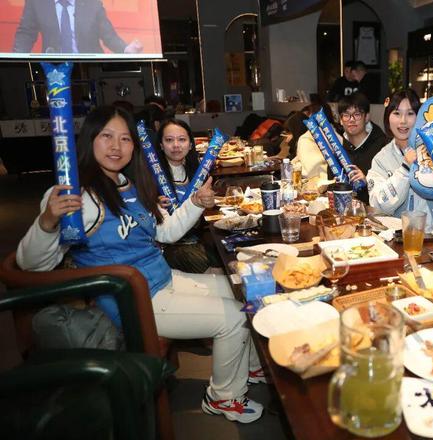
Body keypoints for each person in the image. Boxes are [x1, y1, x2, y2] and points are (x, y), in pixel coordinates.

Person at [15, 106, 264, 423]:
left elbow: (165, 233)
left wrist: (194, 203)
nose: (116, 146)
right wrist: (48, 221)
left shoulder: (128, 184)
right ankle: (223, 398)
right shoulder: (77, 196)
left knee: (243, 289)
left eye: (125, 138)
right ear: (89, 140)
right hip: (133, 301)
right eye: (106, 136)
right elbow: (30, 264)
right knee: (234, 317)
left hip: (162, 280)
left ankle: (247, 366)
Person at [366, 89, 433, 246]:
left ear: (420, 117)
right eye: (397, 113)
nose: (403, 121)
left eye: (410, 113)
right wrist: (405, 169)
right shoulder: (381, 159)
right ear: (387, 117)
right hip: (403, 243)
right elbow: (378, 204)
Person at [156, 118, 221, 273]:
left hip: (197, 237)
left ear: (191, 144)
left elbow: (204, 210)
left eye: (182, 139)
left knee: (227, 253)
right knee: (215, 268)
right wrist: (153, 203)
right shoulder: (152, 176)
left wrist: (208, 202)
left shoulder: (196, 171)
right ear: (161, 145)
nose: (176, 145)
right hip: (168, 246)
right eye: (169, 140)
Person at [13, 0, 143, 54]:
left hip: (89, 67)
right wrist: (16, 58)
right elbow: (26, 33)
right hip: (54, 69)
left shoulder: (92, 3)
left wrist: (125, 49)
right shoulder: (37, 2)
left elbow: (108, 35)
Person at [338, 92, 387, 204]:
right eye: (346, 115)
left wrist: (367, 181)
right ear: (340, 120)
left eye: (357, 114)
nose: (351, 120)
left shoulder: (382, 147)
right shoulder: (337, 149)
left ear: (367, 117)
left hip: (375, 211)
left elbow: (390, 189)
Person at [291, 102, 339, 181]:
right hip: (338, 179)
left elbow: (309, 171)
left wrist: (295, 164)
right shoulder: (338, 134)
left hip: (317, 182)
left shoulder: (306, 138)